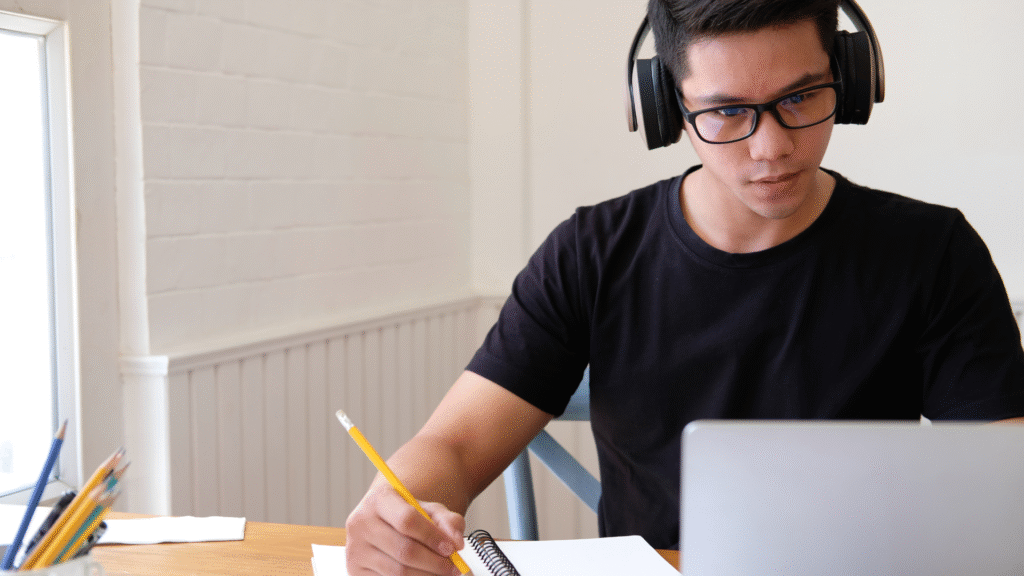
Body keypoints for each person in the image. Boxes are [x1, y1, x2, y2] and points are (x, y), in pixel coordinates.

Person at [344, 1, 1024, 574]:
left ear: (848, 80)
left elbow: (1006, 485)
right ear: (667, 108)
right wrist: (394, 512)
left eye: (799, 97)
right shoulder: (591, 253)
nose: (770, 148)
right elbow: (454, 447)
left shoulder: (934, 254)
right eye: (726, 111)